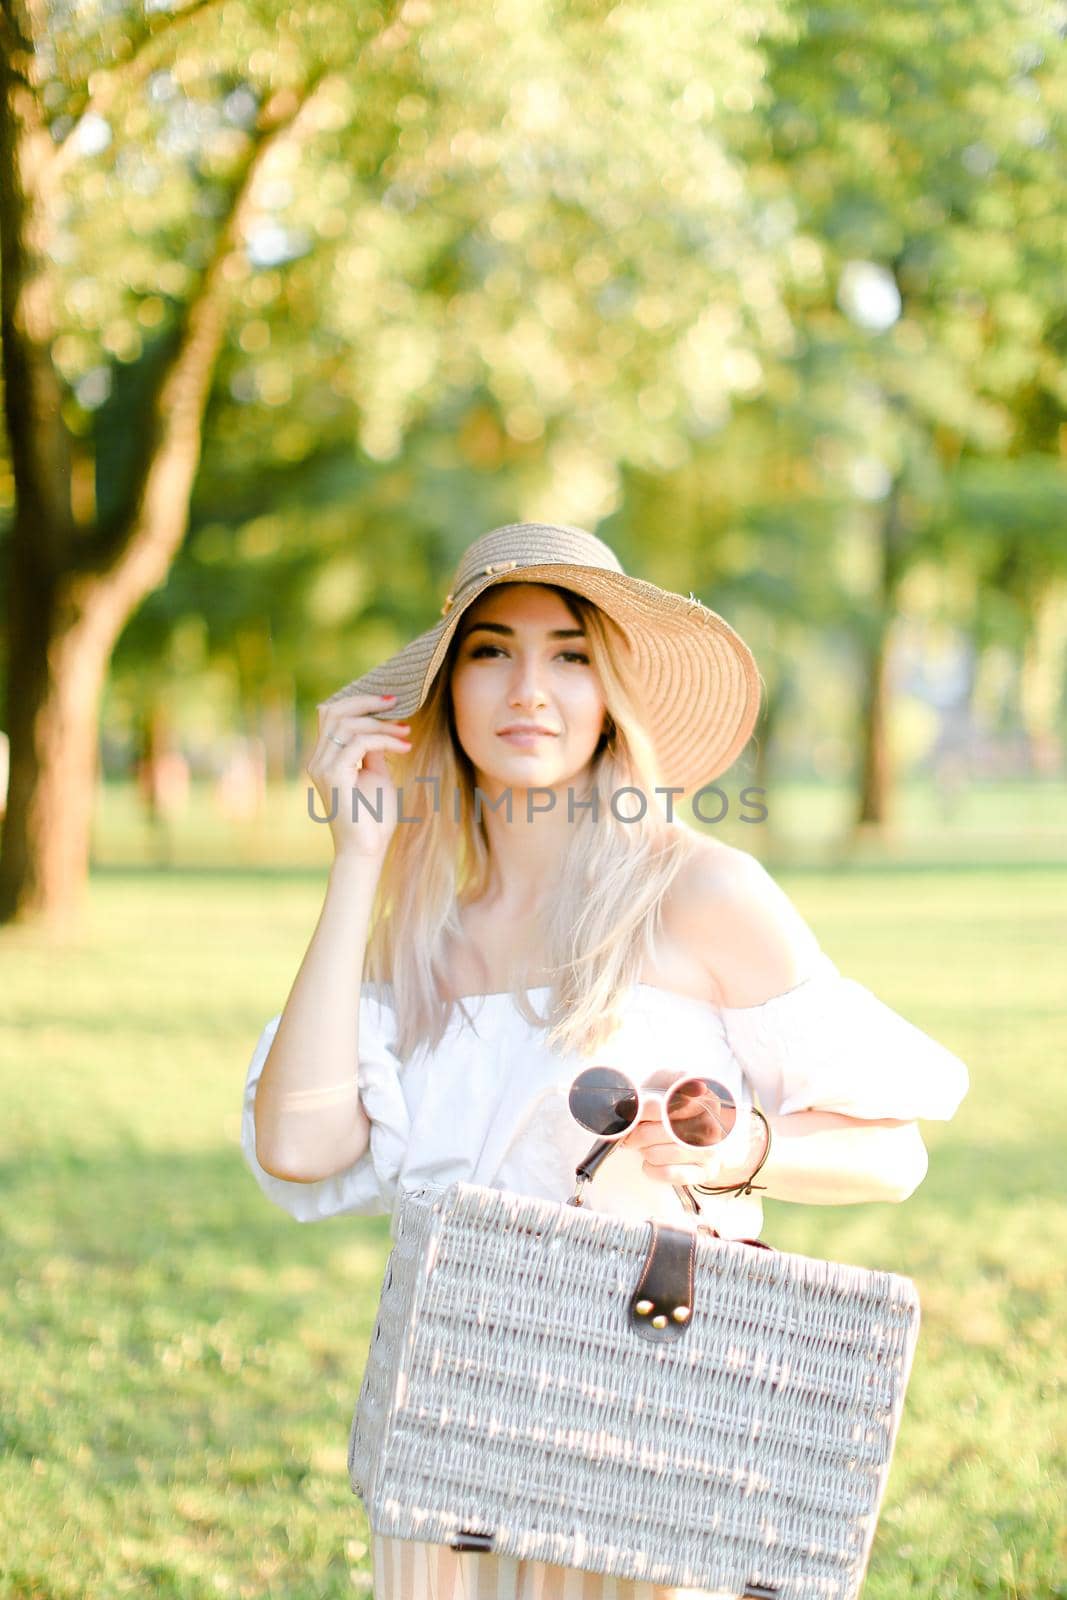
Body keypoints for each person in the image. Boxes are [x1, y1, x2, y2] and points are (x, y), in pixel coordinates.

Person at [240, 522, 969, 1600]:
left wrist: (729, 1152)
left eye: (569, 653)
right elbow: (301, 1144)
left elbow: (892, 1153)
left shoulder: (699, 891)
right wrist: (359, 860)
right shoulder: (420, 925)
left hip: (651, 1440)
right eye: (489, 649)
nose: (527, 686)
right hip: (459, 1447)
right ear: (444, 690)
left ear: (608, 688)